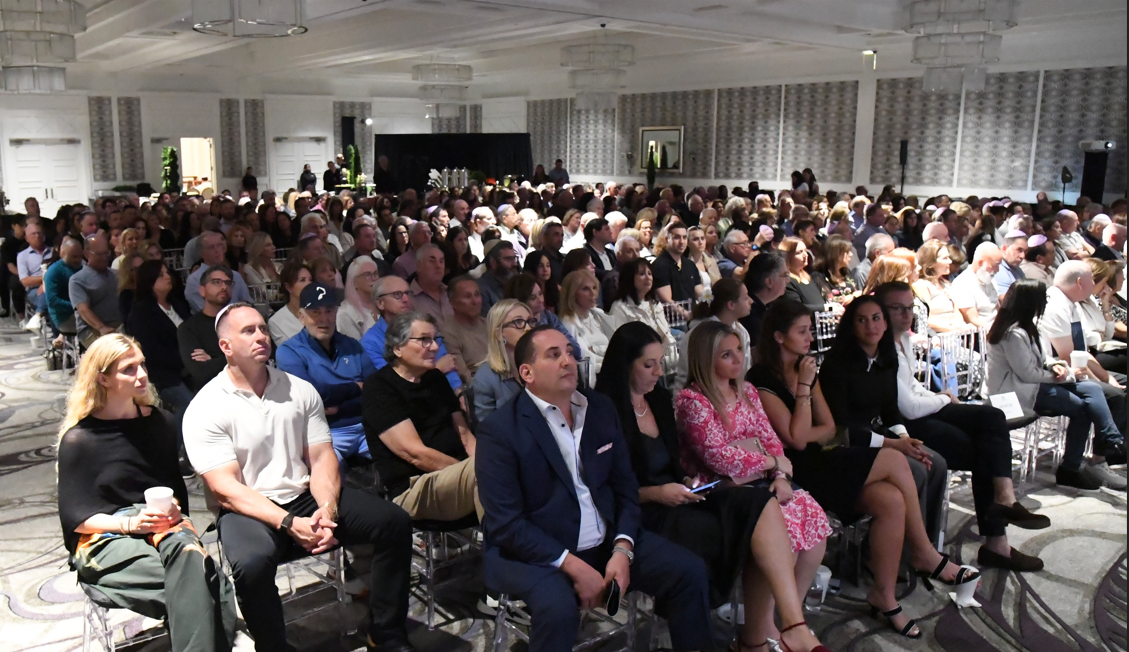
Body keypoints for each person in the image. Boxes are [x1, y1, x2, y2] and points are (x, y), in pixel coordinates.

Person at [183, 303, 416, 652]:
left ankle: (385, 632)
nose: (261, 336)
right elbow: (226, 489)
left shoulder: (299, 390)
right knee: (251, 564)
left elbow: (321, 458)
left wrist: (327, 509)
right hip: (248, 507)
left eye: (263, 328)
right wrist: (289, 523)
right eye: (248, 331)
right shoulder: (206, 406)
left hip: (303, 493)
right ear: (225, 346)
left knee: (393, 522)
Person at [596, 323, 832, 652]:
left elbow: (677, 463)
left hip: (680, 496)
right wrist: (659, 492)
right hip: (642, 509)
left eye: (661, 362)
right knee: (749, 526)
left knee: (760, 507)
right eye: (649, 365)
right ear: (625, 365)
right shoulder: (605, 410)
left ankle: (793, 625)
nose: (659, 372)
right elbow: (605, 489)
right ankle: (760, 635)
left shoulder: (659, 399)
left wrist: (685, 482)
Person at [475, 326, 712, 652]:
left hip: (605, 539)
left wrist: (623, 548)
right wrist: (571, 564)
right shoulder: (500, 431)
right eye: (554, 355)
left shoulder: (599, 408)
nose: (568, 361)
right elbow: (506, 523)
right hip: (537, 552)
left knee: (689, 570)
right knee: (558, 610)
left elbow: (625, 487)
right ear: (527, 373)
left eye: (569, 352)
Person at [57, 335, 236, 652]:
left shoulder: (160, 422)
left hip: (161, 525)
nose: (141, 374)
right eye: (128, 369)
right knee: (207, 581)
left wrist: (173, 509)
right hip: (107, 536)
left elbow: (174, 489)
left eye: (141, 365)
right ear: (103, 378)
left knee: (191, 569)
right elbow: (77, 519)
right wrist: (131, 524)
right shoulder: (79, 439)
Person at [815, 296, 981, 623]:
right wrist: (895, 445)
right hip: (848, 442)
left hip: (879, 434)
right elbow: (840, 429)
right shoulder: (837, 364)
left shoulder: (887, 357)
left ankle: (918, 548)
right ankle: (912, 554)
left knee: (934, 462)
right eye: (862, 319)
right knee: (915, 469)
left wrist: (905, 439)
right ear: (851, 325)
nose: (871, 326)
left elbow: (890, 410)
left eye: (877, 318)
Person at [674, 321, 831, 641]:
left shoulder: (745, 391)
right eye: (726, 355)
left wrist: (781, 476)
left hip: (759, 478)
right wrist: (772, 463)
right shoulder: (693, 401)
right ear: (705, 358)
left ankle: (788, 619)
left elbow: (769, 439)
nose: (738, 359)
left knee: (813, 519)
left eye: (739, 350)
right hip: (718, 488)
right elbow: (718, 457)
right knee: (785, 530)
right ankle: (760, 632)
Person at [876, 282, 1050, 572]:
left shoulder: (903, 338)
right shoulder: (883, 348)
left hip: (921, 411)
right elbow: (907, 408)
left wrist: (938, 396)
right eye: (898, 308)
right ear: (882, 311)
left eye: (910, 308)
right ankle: (997, 541)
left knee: (992, 419)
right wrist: (943, 398)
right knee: (983, 448)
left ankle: (1005, 502)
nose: (907, 315)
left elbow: (913, 387)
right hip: (900, 425)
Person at [987, 279, 1126, 490]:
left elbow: (1044, 358)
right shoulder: (1011, 334)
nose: (1046, 301)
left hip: (1038, 383)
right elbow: (1027, 373)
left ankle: (1110, 436)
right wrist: (1066, 375)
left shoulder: (1031, 326)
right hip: (1018, 391)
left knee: (1093, 388)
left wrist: (1056, 365)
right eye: (1043, 298)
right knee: (1081, 408)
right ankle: (1070, 468)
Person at [362, 311, 480, 522]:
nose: (434, 347)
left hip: (461, 475)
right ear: (397, 348)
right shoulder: (379, 387)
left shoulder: (435, 378)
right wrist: (471, 471)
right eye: (424, 340)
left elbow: (466, 437)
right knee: (491, 478)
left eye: (435, 339)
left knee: (506, 463)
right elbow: (415, 454)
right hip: (415, 488)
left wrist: (484, 465)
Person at [276, 282, 377, 473]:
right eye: (315, 312)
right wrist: (356, 388)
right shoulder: (289, 351)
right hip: (324, 431)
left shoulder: (352, 345)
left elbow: (376, 389)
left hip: (365, 425)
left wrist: (338, 406)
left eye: (329, 311)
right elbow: (312, 396)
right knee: (327, 472)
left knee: (399, 457)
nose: (324, 319)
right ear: (301, 316)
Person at [360, 275, 462, 390]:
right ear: (380, 303)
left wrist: (459, 394)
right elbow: (390, 382)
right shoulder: (370, 343)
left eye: (408, 293)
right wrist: (437, 369)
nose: (406, 299)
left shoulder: (425, 328)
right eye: (397, 295)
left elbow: (449, 366)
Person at [673, 278, 753, 390]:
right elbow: (690, 376)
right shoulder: (699, 335)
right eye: (745, 297)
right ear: (731, 304)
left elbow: (744, 370)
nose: (751, 301)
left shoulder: (741, 331)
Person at [471, 299, 532, 423]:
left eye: (530, 321)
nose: (528, 328)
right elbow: (488, 427)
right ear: (498, 334)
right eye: (518, 322)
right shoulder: (486, 377)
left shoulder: (540, 364)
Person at [177, 266, 233, 390]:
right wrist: (238, 357)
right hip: (211, 392)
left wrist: (213, 360)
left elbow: (265, 355)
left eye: (228, 283)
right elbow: (201, 373)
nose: (224, 287)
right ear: (202, 290)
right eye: (216, 282)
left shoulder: (241, 320)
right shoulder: (188, 328)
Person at [558, 269, 615, 387]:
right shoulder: (568, 324)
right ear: (573, 293)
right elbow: (585, 359)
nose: (593, 293)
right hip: (596, 378)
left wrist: (595, 349)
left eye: (594, 288)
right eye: (585, 289)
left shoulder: (598, 315)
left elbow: (615, 346)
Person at [70, 234, 122, 347]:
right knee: (114, 350)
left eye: (106, 253)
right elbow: (83, 309)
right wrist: (101, 327)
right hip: (93, 329)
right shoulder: (77, 280)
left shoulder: (116, 275)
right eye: (99, 254)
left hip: (120, 326)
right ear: (86, 254)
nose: (104, 257)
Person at [913, 239, 974, 332]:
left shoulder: (946, 284)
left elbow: (956, 313)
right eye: (945, 258)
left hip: (954, 335)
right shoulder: (922, 285)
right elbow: (924, 319)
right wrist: (950, 328)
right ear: (931, 262)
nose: (950, 261)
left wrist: (962, 326)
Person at [184, 231, 253, 312]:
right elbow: (204, 311)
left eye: (219, 245)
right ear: (201, 253)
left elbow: (248, 302)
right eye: (211, 247)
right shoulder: (194, 280)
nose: (217, 250)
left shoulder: (235, 275)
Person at [440, 276, 489, 383]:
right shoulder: (448, 333)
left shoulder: (490, 324)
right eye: (468, 296)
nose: (475, 301)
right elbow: (464, 378)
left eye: (477, 295)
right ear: (452, 303)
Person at [739, 252, 790, 346]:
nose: (788, 280)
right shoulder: (748, 314)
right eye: (785, 275)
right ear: (769, 282)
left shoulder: (767, 307)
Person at [950, 242, 1002, 327]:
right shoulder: (962, 283)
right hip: (982, 331)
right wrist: (995, 332)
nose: (997, 270)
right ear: (980, 263)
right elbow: (972, 319)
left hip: (997, 328)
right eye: (995, 265)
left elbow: (998, 310)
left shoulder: (990, 279)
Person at [651, 223, 703, 304]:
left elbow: (701, 293)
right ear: (666, 239)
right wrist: (685, 312)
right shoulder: (659, 265)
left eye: (684, 237)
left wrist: (712, 302)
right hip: (673, 312)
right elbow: (667, 301)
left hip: (693, 310)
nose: (682, 242)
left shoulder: (690, 265)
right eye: (677, 237)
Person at [17, 219, 55, 327]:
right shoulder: (22, 256)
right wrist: (45, 279)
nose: (37, 236)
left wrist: (46, 283)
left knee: (53, 296)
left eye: (39, 233)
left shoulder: (54, 252)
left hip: (54, 286)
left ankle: (38, 316)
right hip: (35, 290)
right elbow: (25, 281)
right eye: (33, 234)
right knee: (51, 298)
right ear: (27, 238)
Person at [43, 237, 84, 333]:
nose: (78, 260)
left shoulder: (82, 267)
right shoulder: (54, 271)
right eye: (74, 256)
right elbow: (52, 301)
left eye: (80, 256)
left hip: (81, 311)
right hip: (65, 317)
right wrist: (77, 306)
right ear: (63, 254)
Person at [268, 261, 314, 346]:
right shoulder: (276, 321)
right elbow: (288, 351)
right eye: (302, 280)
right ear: (289, 287)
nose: (309, 284)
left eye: (310, 280)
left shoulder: (323, 310)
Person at [779, 237, 830, 314]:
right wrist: (827, 308)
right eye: (799, 252)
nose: (805, 255)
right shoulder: (787, 281)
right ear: (788, 256)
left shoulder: (807, 277)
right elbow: (796, 309)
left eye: (805, 251)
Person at [409, 244, 454, 323]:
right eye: (432, 261)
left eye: (441, 261)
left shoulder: (452, 293)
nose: (438, 266)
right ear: (418, 266)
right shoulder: (408, 298)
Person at [337, 256, 378, 341]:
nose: (374, 278)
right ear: (354, 281)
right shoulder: (345, 313)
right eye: (367, 275)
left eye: (375, 273)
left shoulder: (383, 304)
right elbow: (354, 346)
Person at [812, 234, 858, 307]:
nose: (851, 254)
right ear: (837, 254)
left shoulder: (846, 272)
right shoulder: (819, 276)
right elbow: (829, 301)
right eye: (847, 252)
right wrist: (853, 296)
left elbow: (857, 292)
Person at [477, 240, 519, 316]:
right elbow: (488, 321)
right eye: (508, 259)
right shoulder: (481, 289)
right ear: (493, 262)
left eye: (514, 258)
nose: (515, 264)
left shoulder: (515, 282)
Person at [994, 231, 1029, 298]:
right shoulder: (997, 269)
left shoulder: (1017, 269)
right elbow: (1005, 300)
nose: (1023, 256)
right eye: (1019, 250)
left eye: (1025, 251)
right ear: (1004, 249)